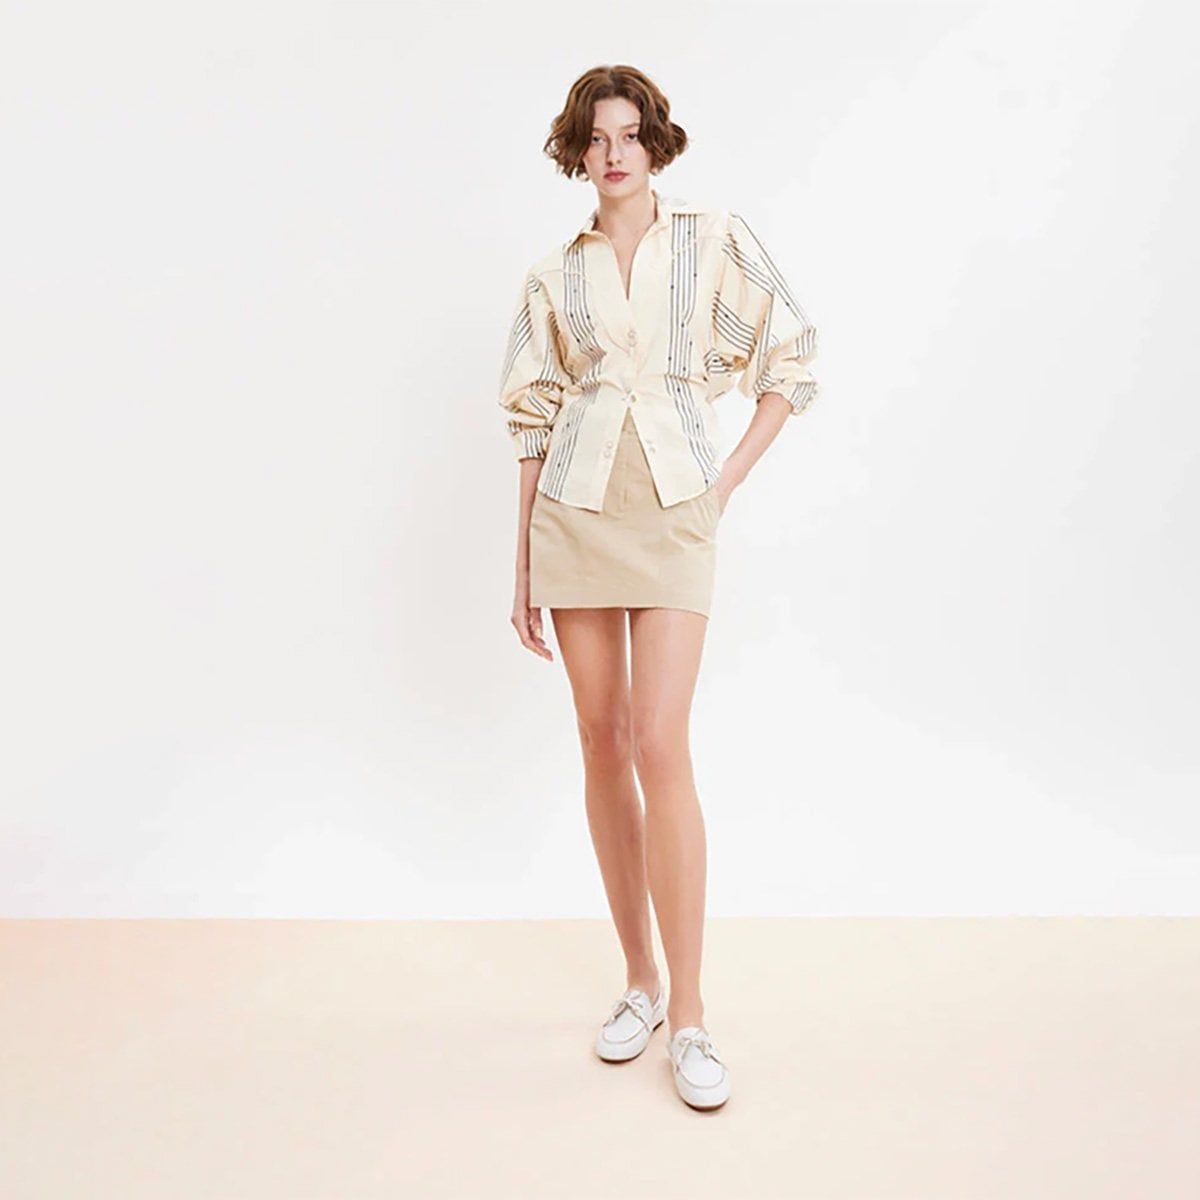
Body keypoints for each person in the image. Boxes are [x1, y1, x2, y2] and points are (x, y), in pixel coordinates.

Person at [496, 64, 820, 1111]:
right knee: (601, 741)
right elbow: (533, 420)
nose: (614, 153)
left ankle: (690, 1013)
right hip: (575, 513)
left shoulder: (712, 238)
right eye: (597, 138)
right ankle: (637, 981)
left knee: (658, 741)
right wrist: (522, 562)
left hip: (677, 507)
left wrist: (723, 486)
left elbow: (791, 357)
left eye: (630, 134)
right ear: (576, 150)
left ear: (655, 142)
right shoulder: (554, 275)